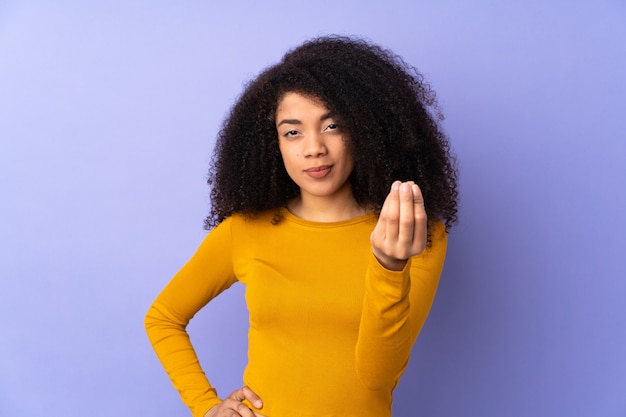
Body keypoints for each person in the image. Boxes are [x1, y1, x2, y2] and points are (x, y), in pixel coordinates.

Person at [145, 35, 458, 417]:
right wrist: (206, 406)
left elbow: (378, 376)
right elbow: (163, 318)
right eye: (292, 131)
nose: (313, 148)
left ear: (366, 129)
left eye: (332, 126)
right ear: (271, 143)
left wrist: (389, 267)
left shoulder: (414, 233)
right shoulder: (245, 230)